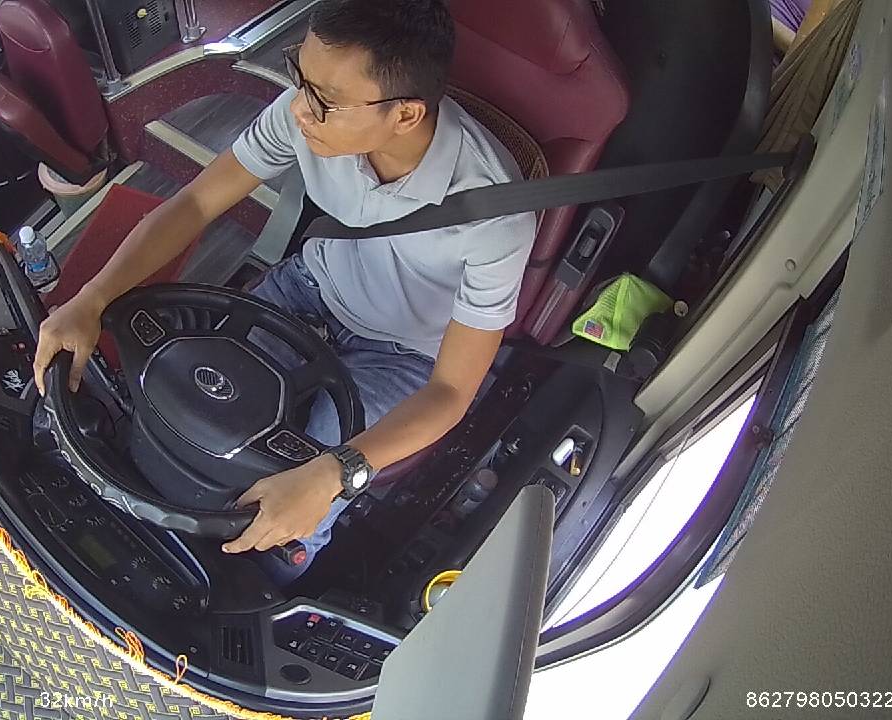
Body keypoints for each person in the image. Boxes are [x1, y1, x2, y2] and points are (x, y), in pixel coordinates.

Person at [31, 0, 535, 583]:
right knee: (193, 405)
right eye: (299, 72)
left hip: (405, 354)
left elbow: (451, 391)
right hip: (309, 288)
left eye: (324, 99)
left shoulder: (495, 217)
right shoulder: (304, 114)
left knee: (294, 495)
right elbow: (194, 204)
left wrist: (332, 474)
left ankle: (260, 581)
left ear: (404, 114)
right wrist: (90, 300)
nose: (298, 107)